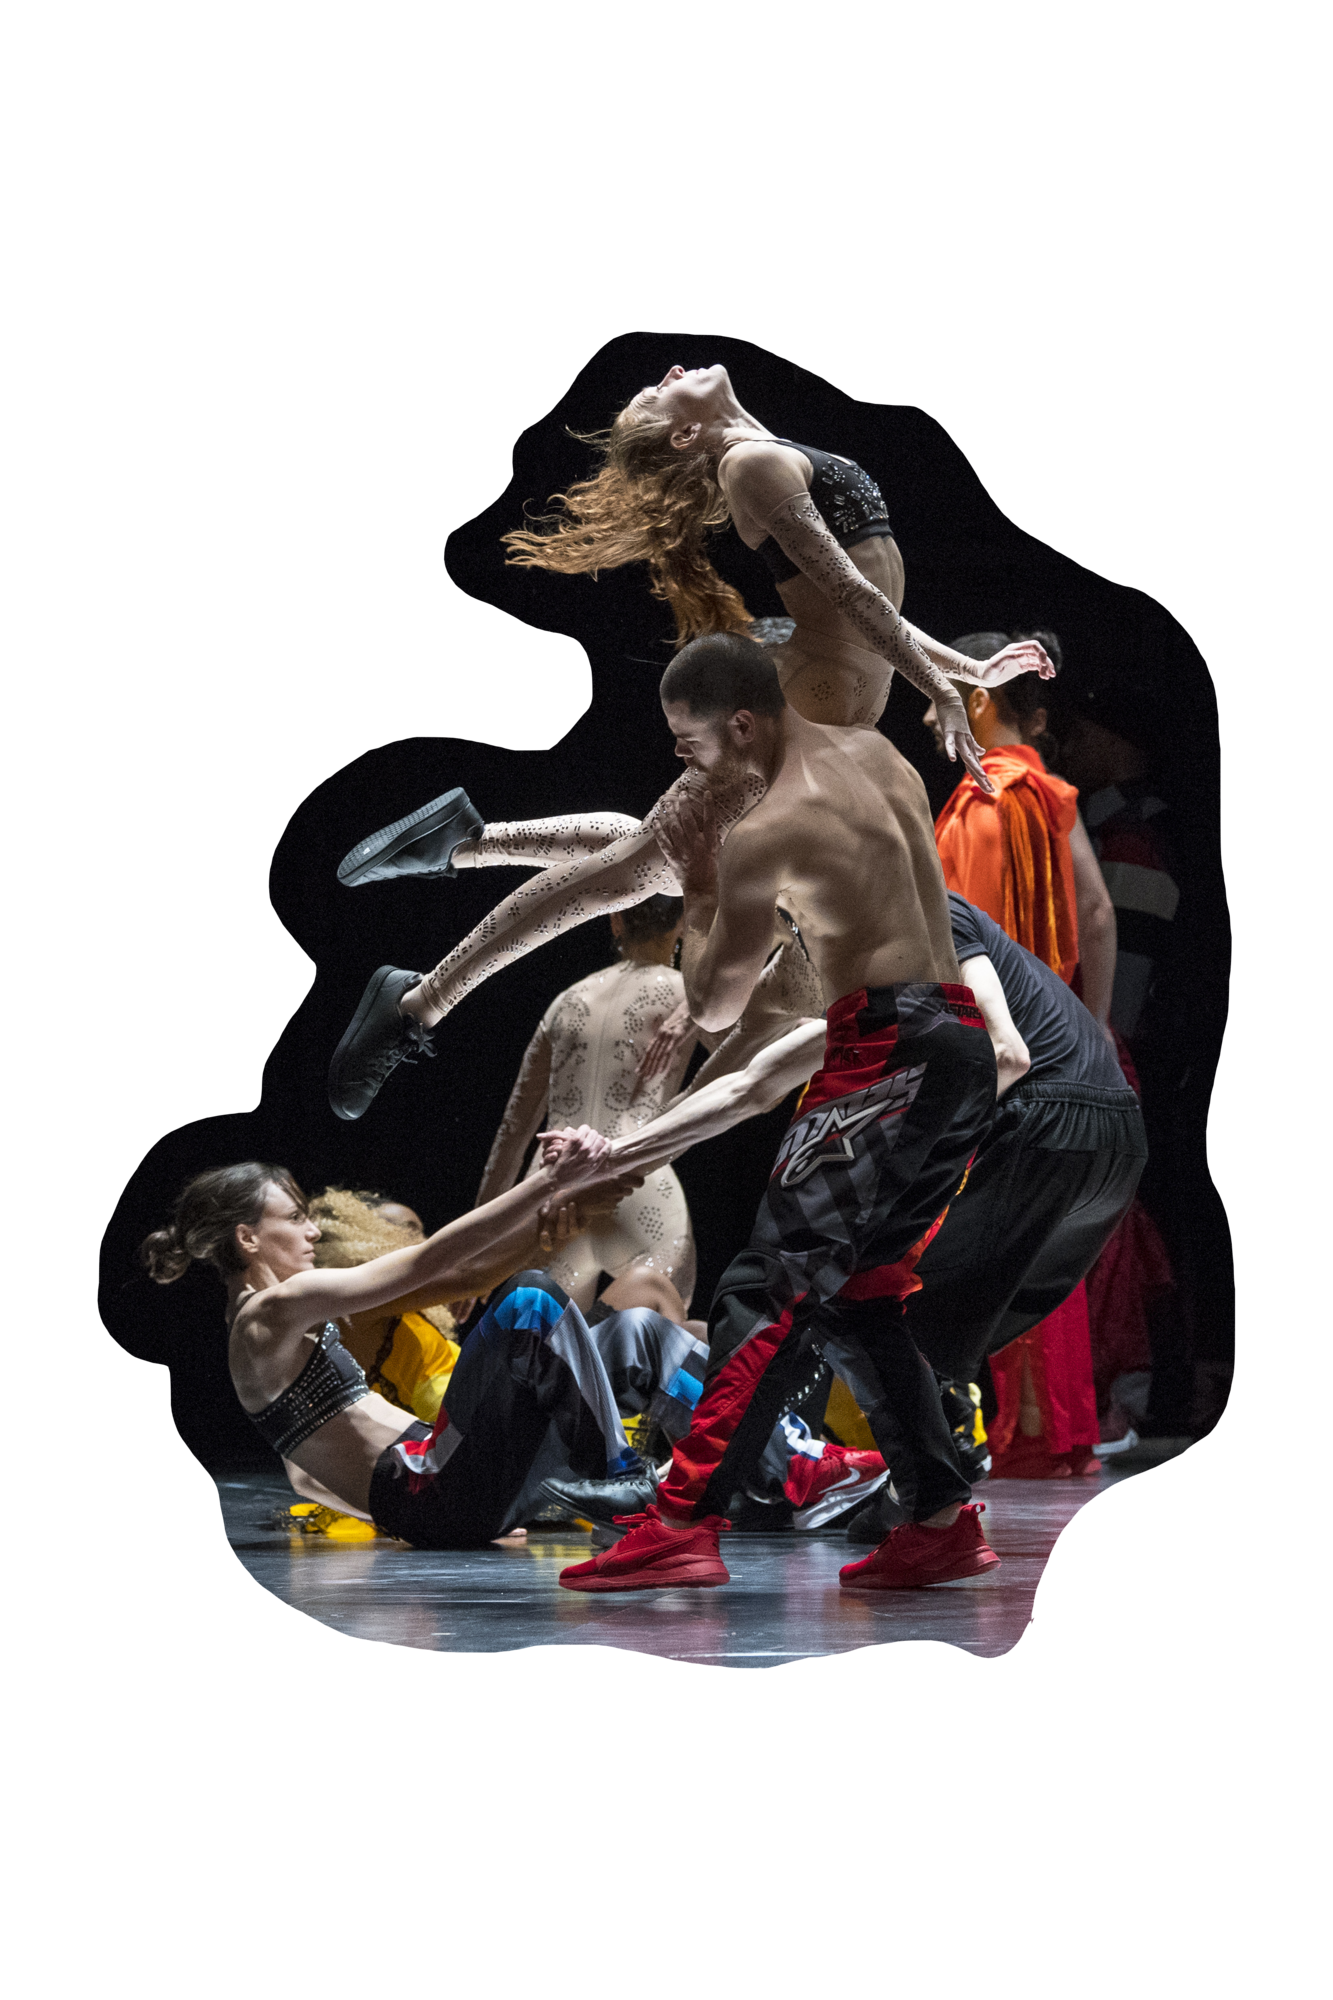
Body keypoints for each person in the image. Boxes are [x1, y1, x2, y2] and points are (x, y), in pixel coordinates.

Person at [327, 364, 1052, 1122]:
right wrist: (944, 684)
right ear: (684, 433)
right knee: (645, 866)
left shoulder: (764, 451)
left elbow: (871, 604)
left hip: (817, 703)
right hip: (794, 709)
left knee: (656, 860)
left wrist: (966, 670)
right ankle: (418, 1000)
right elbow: (852, 593)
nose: (668, 372)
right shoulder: (750, 464)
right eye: (654, 392)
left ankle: (463, 852)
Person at [551, 633, 1001, 1594]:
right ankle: (937, 1517)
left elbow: (713, 1007)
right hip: (955, 1037)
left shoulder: (764, 830)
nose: (686, 762)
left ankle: (680, 1523)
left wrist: (701, 888)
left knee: (767, 1289)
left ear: (743, 724)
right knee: (858, 1293)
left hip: (884, 1048)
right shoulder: (877, 753)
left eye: (690, 742)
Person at [138, 1142, 679, 1547]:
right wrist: (548, 1182)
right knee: (530, 1299)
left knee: (635, 1332)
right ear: (247, 1238)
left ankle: (724, 1468)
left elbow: (465, 1276)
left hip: (447, 1484)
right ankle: (622, 1479)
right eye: (296, 1218)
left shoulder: (272, 1321)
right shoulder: (267, 1314)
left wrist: (559, 1196)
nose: (313, 1232)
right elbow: (431, 1260)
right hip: (432, 1493)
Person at [922, 630, 1118, 1474]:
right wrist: (1093, 1026)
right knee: (1046, 1227)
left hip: (999, 1039)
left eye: (936, 694)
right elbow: (1097, 914)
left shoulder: (984, 797)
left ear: (975, 700)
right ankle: (1052, 1427)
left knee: (993, 1224)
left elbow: (959, 938)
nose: (926, 716)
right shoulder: (1045, 788)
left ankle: (1013, 1425)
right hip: (1064, 1034)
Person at [470, 895, 702, 1316]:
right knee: (659, 1347)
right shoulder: (691, 998)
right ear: (684, 922)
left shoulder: (565, 1002)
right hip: (639, 1183)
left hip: (552, 1190)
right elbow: (744, 1065)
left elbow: (513, 1133)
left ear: (615, 919)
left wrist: (476, 1245)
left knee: (546, 1352)